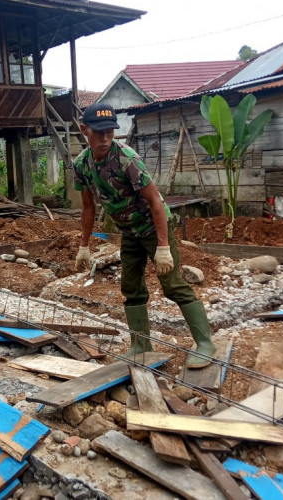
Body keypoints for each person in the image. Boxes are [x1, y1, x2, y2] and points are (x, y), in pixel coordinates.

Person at [72, 103, 215, 368]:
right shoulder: (82, 164)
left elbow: (156, 202)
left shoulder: (126, 159)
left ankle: (205, 343)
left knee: (172, 285)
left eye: (110, 132)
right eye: (99, 132)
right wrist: (84, 246)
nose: (105, 138)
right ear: (84, 131)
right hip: (129, 232)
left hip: (153, 227)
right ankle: (141, 344)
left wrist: (163, 247)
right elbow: (88, 206)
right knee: (131, 288)